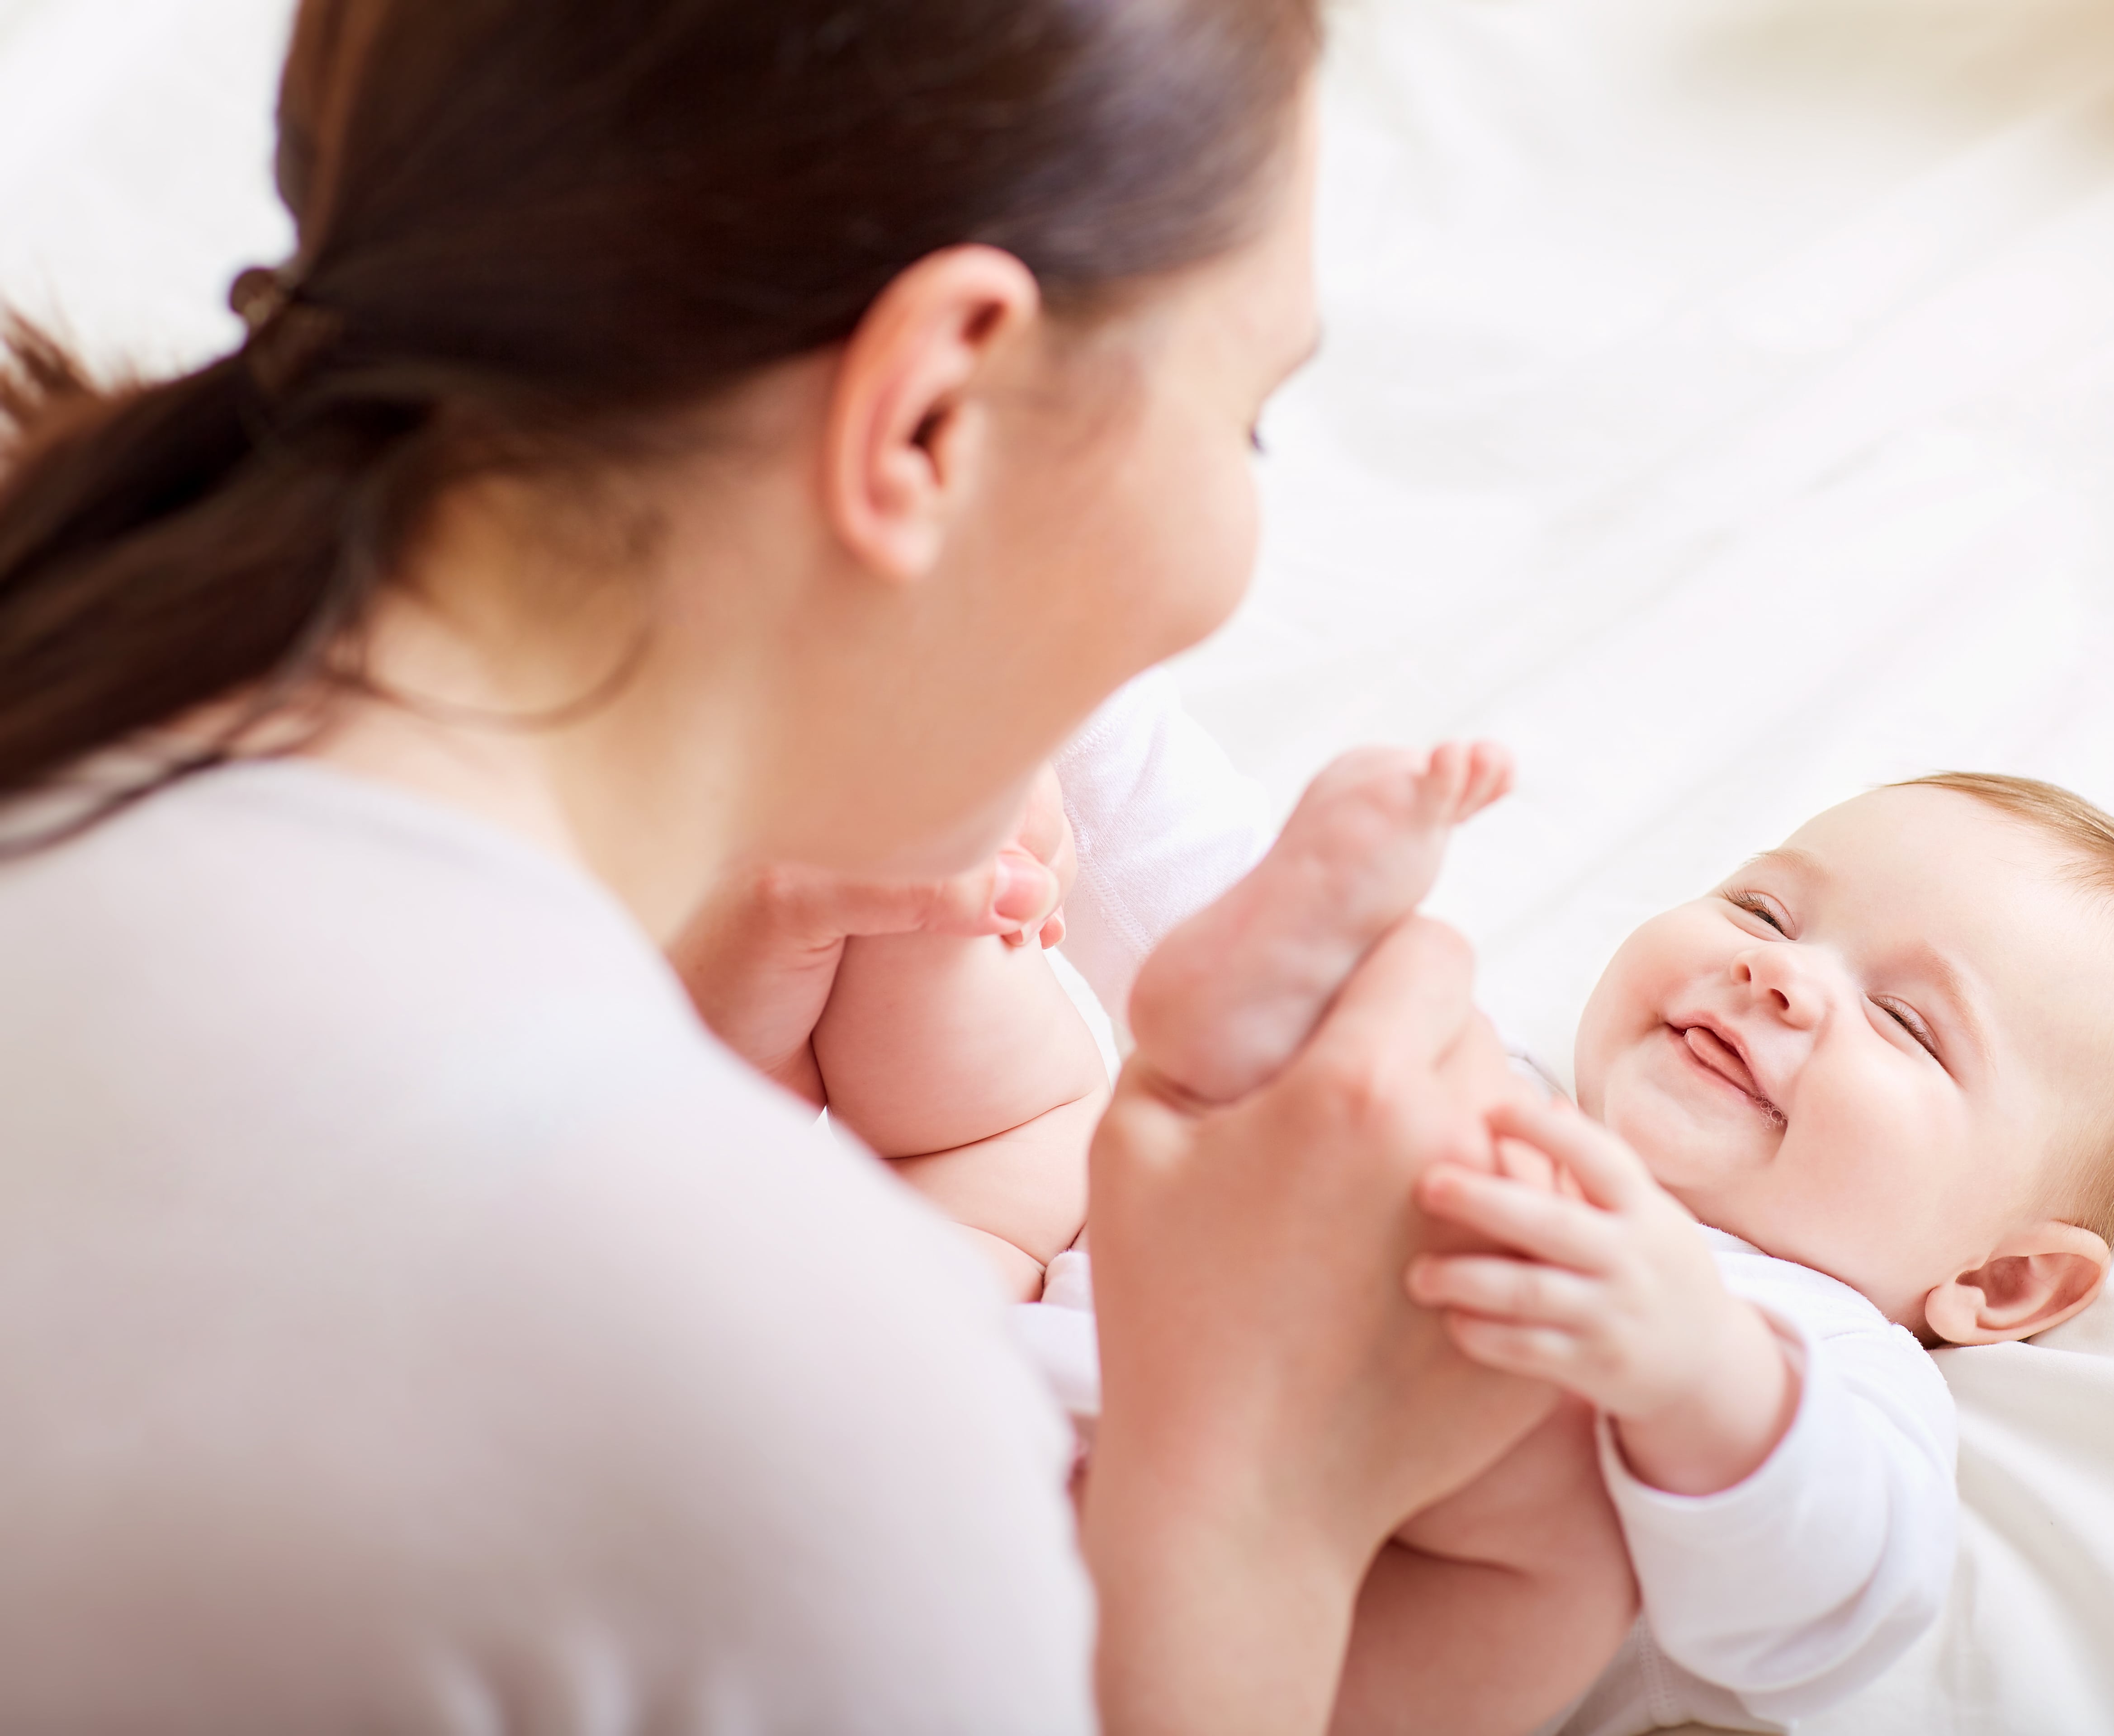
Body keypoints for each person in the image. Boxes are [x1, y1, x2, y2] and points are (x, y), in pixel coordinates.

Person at [0, 1, 1561, 1729]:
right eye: (1250, 418)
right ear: (928, 413)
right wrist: (1261, 1495)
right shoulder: (791, 1406)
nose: (1232, 547)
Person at [816, 755, 2114, 1734]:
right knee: (1033, 1049)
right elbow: (1182, 863)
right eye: (1766, 907)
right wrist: (1084, 707)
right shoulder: (1477, 1074)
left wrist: (1692, 1366)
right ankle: (942, 864)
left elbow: (1835, 1609)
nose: (1783, 972)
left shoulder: (1814, 1353)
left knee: (1554, 1477)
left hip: (1213, 1658)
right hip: (987, 1367)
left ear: (2000, 1283)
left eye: (1909, 1023)